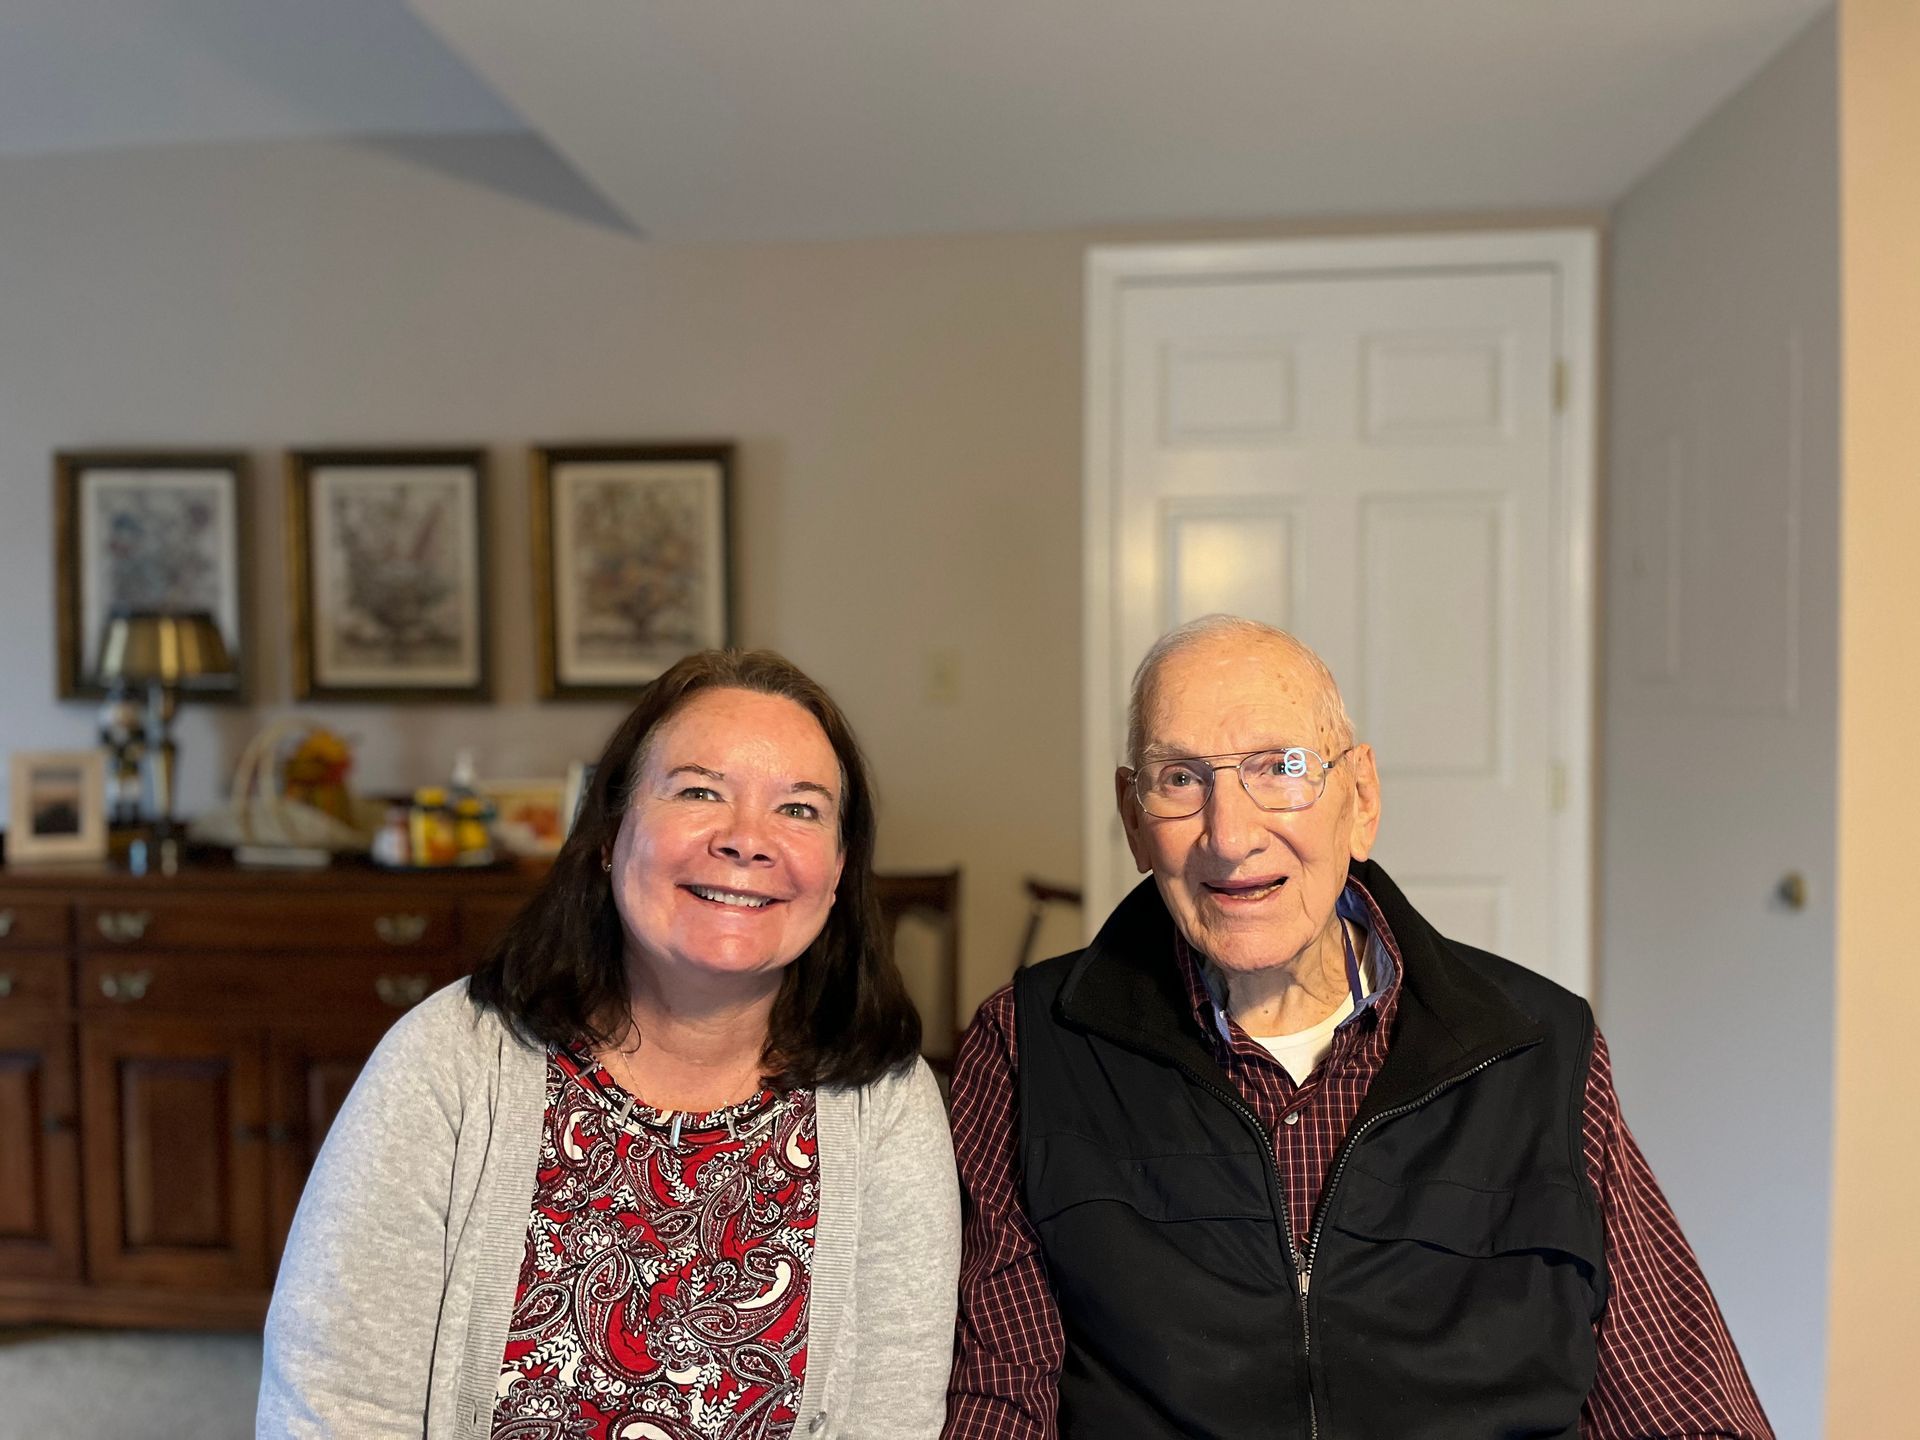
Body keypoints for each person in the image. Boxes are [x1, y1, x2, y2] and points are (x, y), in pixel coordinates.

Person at [944, 615, 1772, 1439]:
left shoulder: (1536, 1045)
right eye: (1181, 779)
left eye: (1281, 767)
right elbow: (999, 1398)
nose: (1230, 836)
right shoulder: (1030, 1046)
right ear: (1133, 817)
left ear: (1361, 798)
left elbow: (1682, 1401)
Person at [260, 649, 960, 1440]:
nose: (747, 840)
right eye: (700, 791)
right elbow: (334, 1406)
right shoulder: (446, 1064)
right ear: (608, 833)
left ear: (836, 870)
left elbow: (891, 1421)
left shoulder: (887, 1107)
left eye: (799, 809)